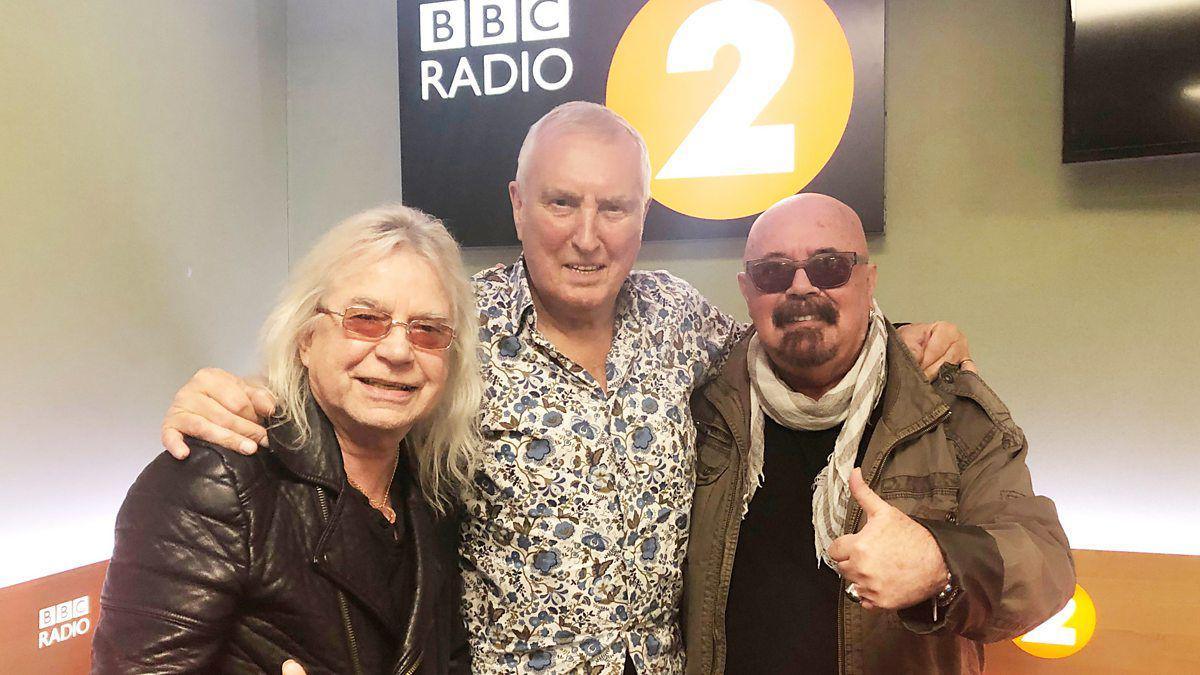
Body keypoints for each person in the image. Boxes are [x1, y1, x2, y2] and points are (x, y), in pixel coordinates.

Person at [154, 103, 973, 674]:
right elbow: (359, 379)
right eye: (562, 202)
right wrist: (245, 393)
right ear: (518, 204)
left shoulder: (683, 321)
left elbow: (797, 349)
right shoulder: (456, 326)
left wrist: (900, 337)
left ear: (642, 215)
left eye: (613, 206)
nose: (588, 234)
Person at [682, 194, 1074, 674]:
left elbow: (1046, 566)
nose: (801, 287)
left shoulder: (946, 409)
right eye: (774, 272)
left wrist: (940, 564)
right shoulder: (703, 407)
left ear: (868, 281)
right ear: (747, 290)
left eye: (829, 267)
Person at [92, 205, 479, 674]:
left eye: (428, 331)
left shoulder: (433, 495)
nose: (398, 350)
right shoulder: (215, 482)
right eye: (365, 319)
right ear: (305, 339)